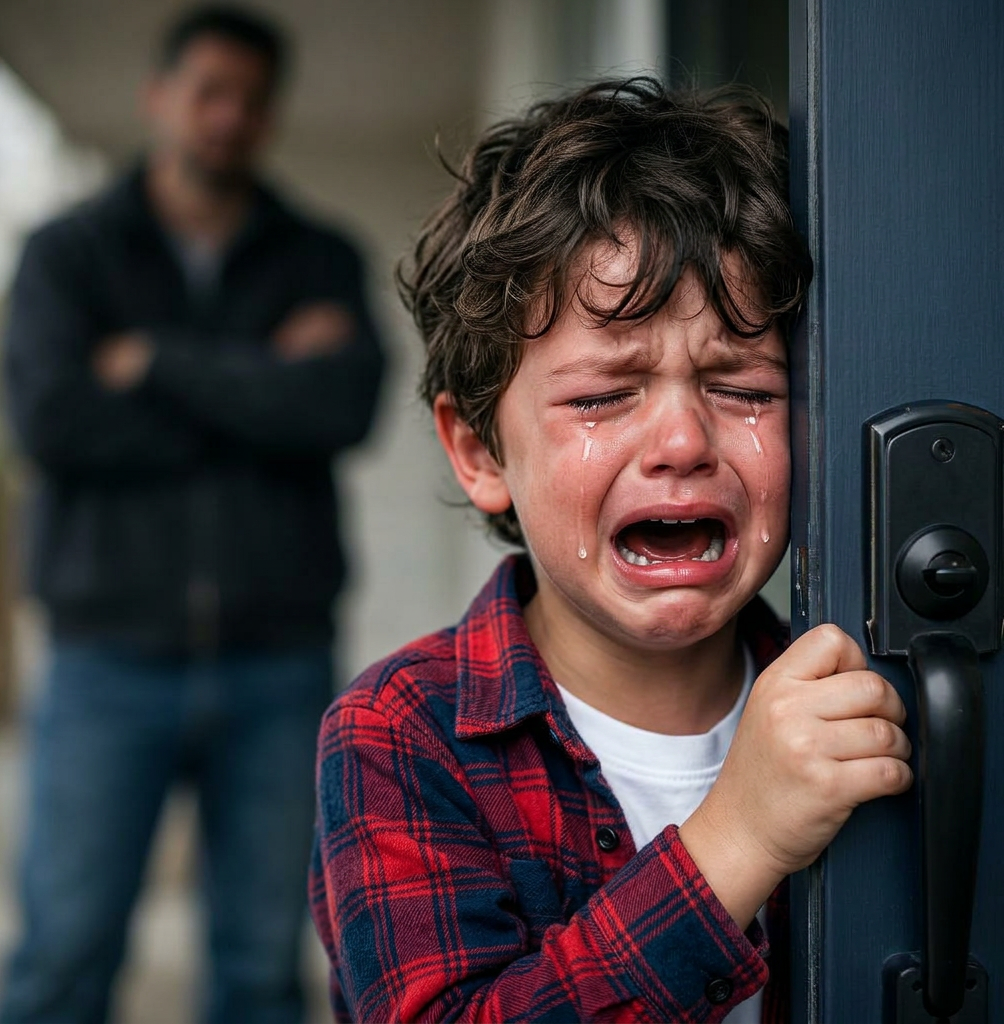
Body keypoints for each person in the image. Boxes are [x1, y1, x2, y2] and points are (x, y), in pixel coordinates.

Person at [309, 79, 912, 1023]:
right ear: (480, 452)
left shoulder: (867, 700)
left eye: (743, 389)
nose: (682, 441)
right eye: (600, 397)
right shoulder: (399, 733)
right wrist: (739, 838)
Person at [0, 5, 384, 1023]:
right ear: (159, 97)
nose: (229, 115)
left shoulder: (320, 257)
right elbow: (53, 424)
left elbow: (343, 409)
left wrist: (157, 365)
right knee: (65, 955)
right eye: (210, 91)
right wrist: (261, 387)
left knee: (262, 969)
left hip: (278, 661)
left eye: (251, 99)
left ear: (270, 116)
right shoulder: (68, 255)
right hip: (107, 659)